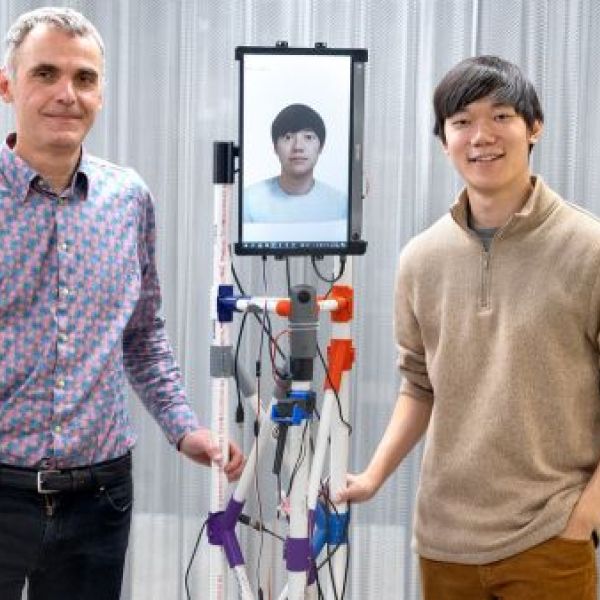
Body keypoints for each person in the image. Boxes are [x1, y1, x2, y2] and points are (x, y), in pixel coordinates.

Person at [0, 7, 243, 600]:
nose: (67, 94)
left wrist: (188, 430)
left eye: (84, 79)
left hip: (98, 495)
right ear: (7, 85)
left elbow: (142, 336)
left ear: (101, 93)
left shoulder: (127, 199)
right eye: (46, 74)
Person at [337, 55, 600, 599]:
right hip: (445, 542)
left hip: (550, 537)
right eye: (461, 122)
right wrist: (371, 477)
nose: (482, 136)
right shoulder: (421, 258)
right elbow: (419, 385)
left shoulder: (589, 249)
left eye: (501, 116)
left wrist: (586, 515)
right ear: (444, 141)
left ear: (534, 127)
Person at [243, 103, 347, 223]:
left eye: (308, 137)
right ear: (275, 147)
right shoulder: (250, 201)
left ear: (321, 147)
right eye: (288, 137)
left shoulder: (340, 205)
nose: (298, 147)